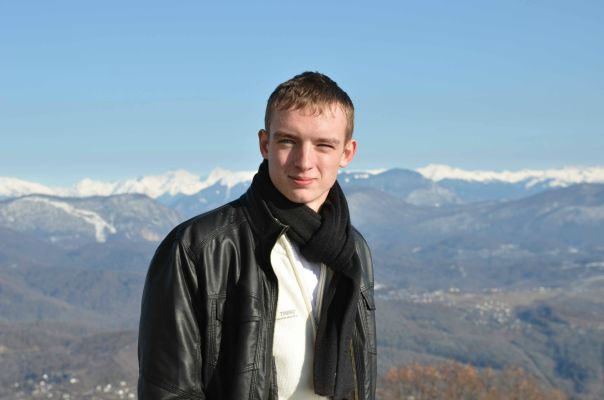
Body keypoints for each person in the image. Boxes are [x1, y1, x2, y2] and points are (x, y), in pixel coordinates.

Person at [138, 71, 376, 400]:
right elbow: (168, 391)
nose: (304, 161)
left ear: (347, 153)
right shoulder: (199, 248)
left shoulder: (354, 250)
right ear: (265, 144)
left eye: (323, 145)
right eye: (288, 141)